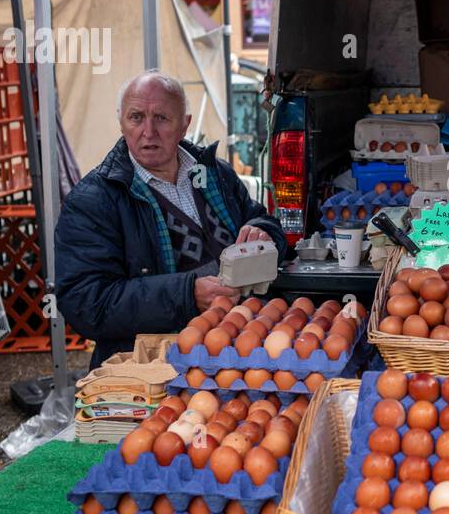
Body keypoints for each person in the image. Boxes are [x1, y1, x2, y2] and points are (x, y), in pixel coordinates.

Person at [57, 72, 285, 367]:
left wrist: (263, 231)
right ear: (121, 122)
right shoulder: (93, 201)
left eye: (162, 118)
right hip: (153, 366)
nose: (148, 132)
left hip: (240, 350)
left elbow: (263, 221)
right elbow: (86, 304)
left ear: (185, 124)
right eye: (136, 117)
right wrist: (186, 294)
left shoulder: (216, 173)